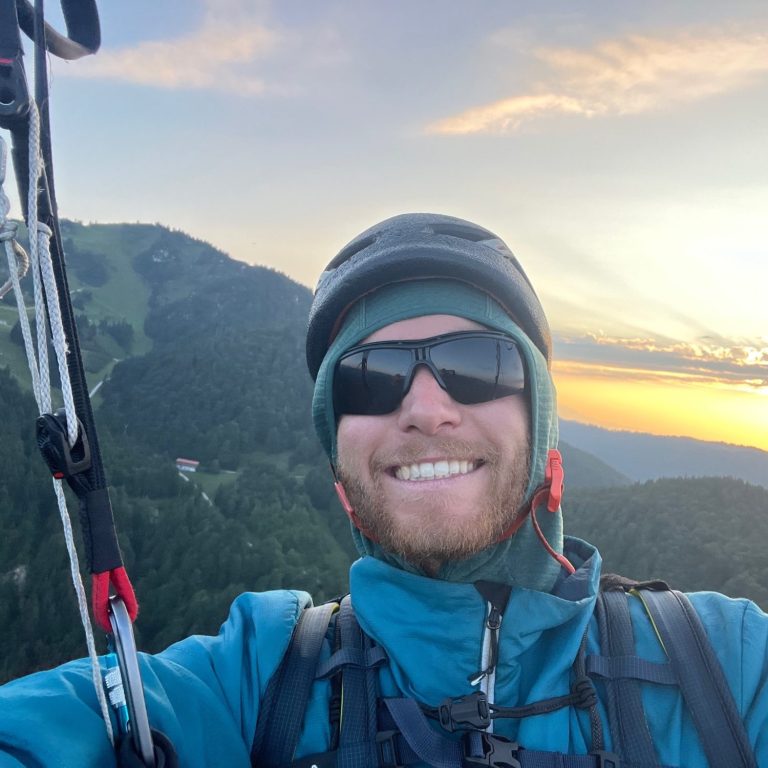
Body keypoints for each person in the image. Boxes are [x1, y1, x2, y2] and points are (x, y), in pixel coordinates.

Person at [0, 213, 766, 767]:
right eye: (372, 378)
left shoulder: (723, 665)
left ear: (546, 440)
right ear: (340, 475)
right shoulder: (261, 681)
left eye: (477, 364)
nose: (426, 409)